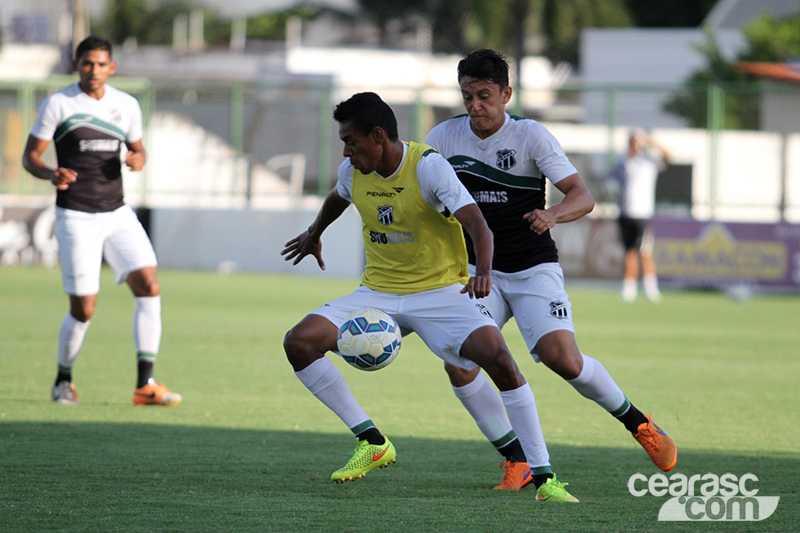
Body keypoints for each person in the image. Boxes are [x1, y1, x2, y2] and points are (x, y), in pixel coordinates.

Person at [281, 91, 577, 502]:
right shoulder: (354, 172)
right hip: (379, 293)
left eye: (351, 141)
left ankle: (545, 478)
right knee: (299, 342)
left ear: (378, 136)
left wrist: (484, 275)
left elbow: (478, 225)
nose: (346, 152)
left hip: (441, 292)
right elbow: (338, 197)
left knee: (500, 359)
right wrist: (315, 234)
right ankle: (372, 441)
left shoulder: (428, 167)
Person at [423, 49, 676, 490]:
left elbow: (582, 195)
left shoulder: (530, 136)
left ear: (506, 93)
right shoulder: (443, 137)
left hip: (532, 266)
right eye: (467, 96)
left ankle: (639, 423)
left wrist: (554, 215)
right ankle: (516, 459)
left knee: (564, 360)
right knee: (461, 361)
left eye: (484, 96)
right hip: (477, 271)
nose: (474, 106)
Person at [22, 35, 181, 407]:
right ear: (76, 65)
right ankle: (63, 381)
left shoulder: (126, 105)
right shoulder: (58, 103)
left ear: (112, 67)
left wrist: (138, 159)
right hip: (76, 214)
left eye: (100, 64)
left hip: (118, 212)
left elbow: (138, 150)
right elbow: (31, 157)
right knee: (84, 309)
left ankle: (145, 385)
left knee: (149, 285)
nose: (93, 70)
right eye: (86, 63)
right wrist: (50, 174)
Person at [612, 131, 671, 303]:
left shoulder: (649, 162)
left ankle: (651, 288)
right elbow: (612, 183)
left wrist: (652, 142)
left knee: (645, 250)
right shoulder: (623, 162)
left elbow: (669, 156)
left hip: (642, 214)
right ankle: (628, 288)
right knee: (629, 251)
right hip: (625, 213)